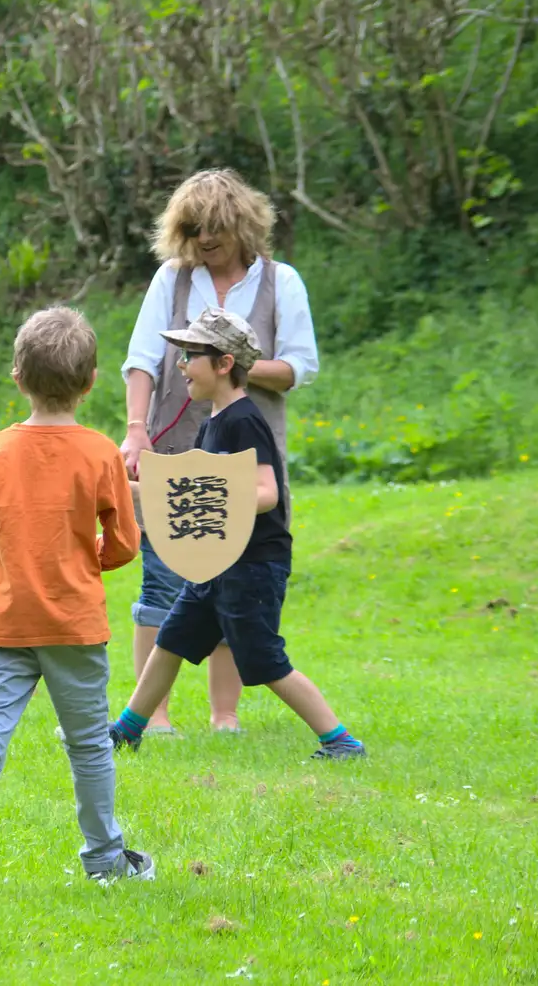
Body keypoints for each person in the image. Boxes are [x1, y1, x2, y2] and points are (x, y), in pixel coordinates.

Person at [0, 306, 150, 895]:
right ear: (92, 381)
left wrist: (9, 564)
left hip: (5, 622)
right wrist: (81, 561)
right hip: (74, 625)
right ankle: (104, 858)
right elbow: (124, 543)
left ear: (16, 376)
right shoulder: (100, 452)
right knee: (89, 744)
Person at [107, 307, 363, 761]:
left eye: (191, 355)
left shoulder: (243, 419)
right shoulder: (213, 422)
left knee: (263, 661)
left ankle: (340, 741)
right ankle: (127, 731)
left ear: (224, 364)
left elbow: (266, 493)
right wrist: (115, 485)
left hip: (253, 566)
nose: (181, 364)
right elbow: (190, 490)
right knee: (170, 640)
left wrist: (211, 493)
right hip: (216, 563)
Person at [120, 168, 320, 734]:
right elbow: (141, 359)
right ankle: (151, 715)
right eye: (194, 228)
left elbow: (299, 368)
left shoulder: (283, 282)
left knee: (231, 577)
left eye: (215, 227)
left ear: (242, 224)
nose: (205, 238)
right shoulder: (172, 279)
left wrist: (231, 360)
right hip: (172, 444)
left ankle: (223, 716)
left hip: (242, 450)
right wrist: (136, 429)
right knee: (161, 578)